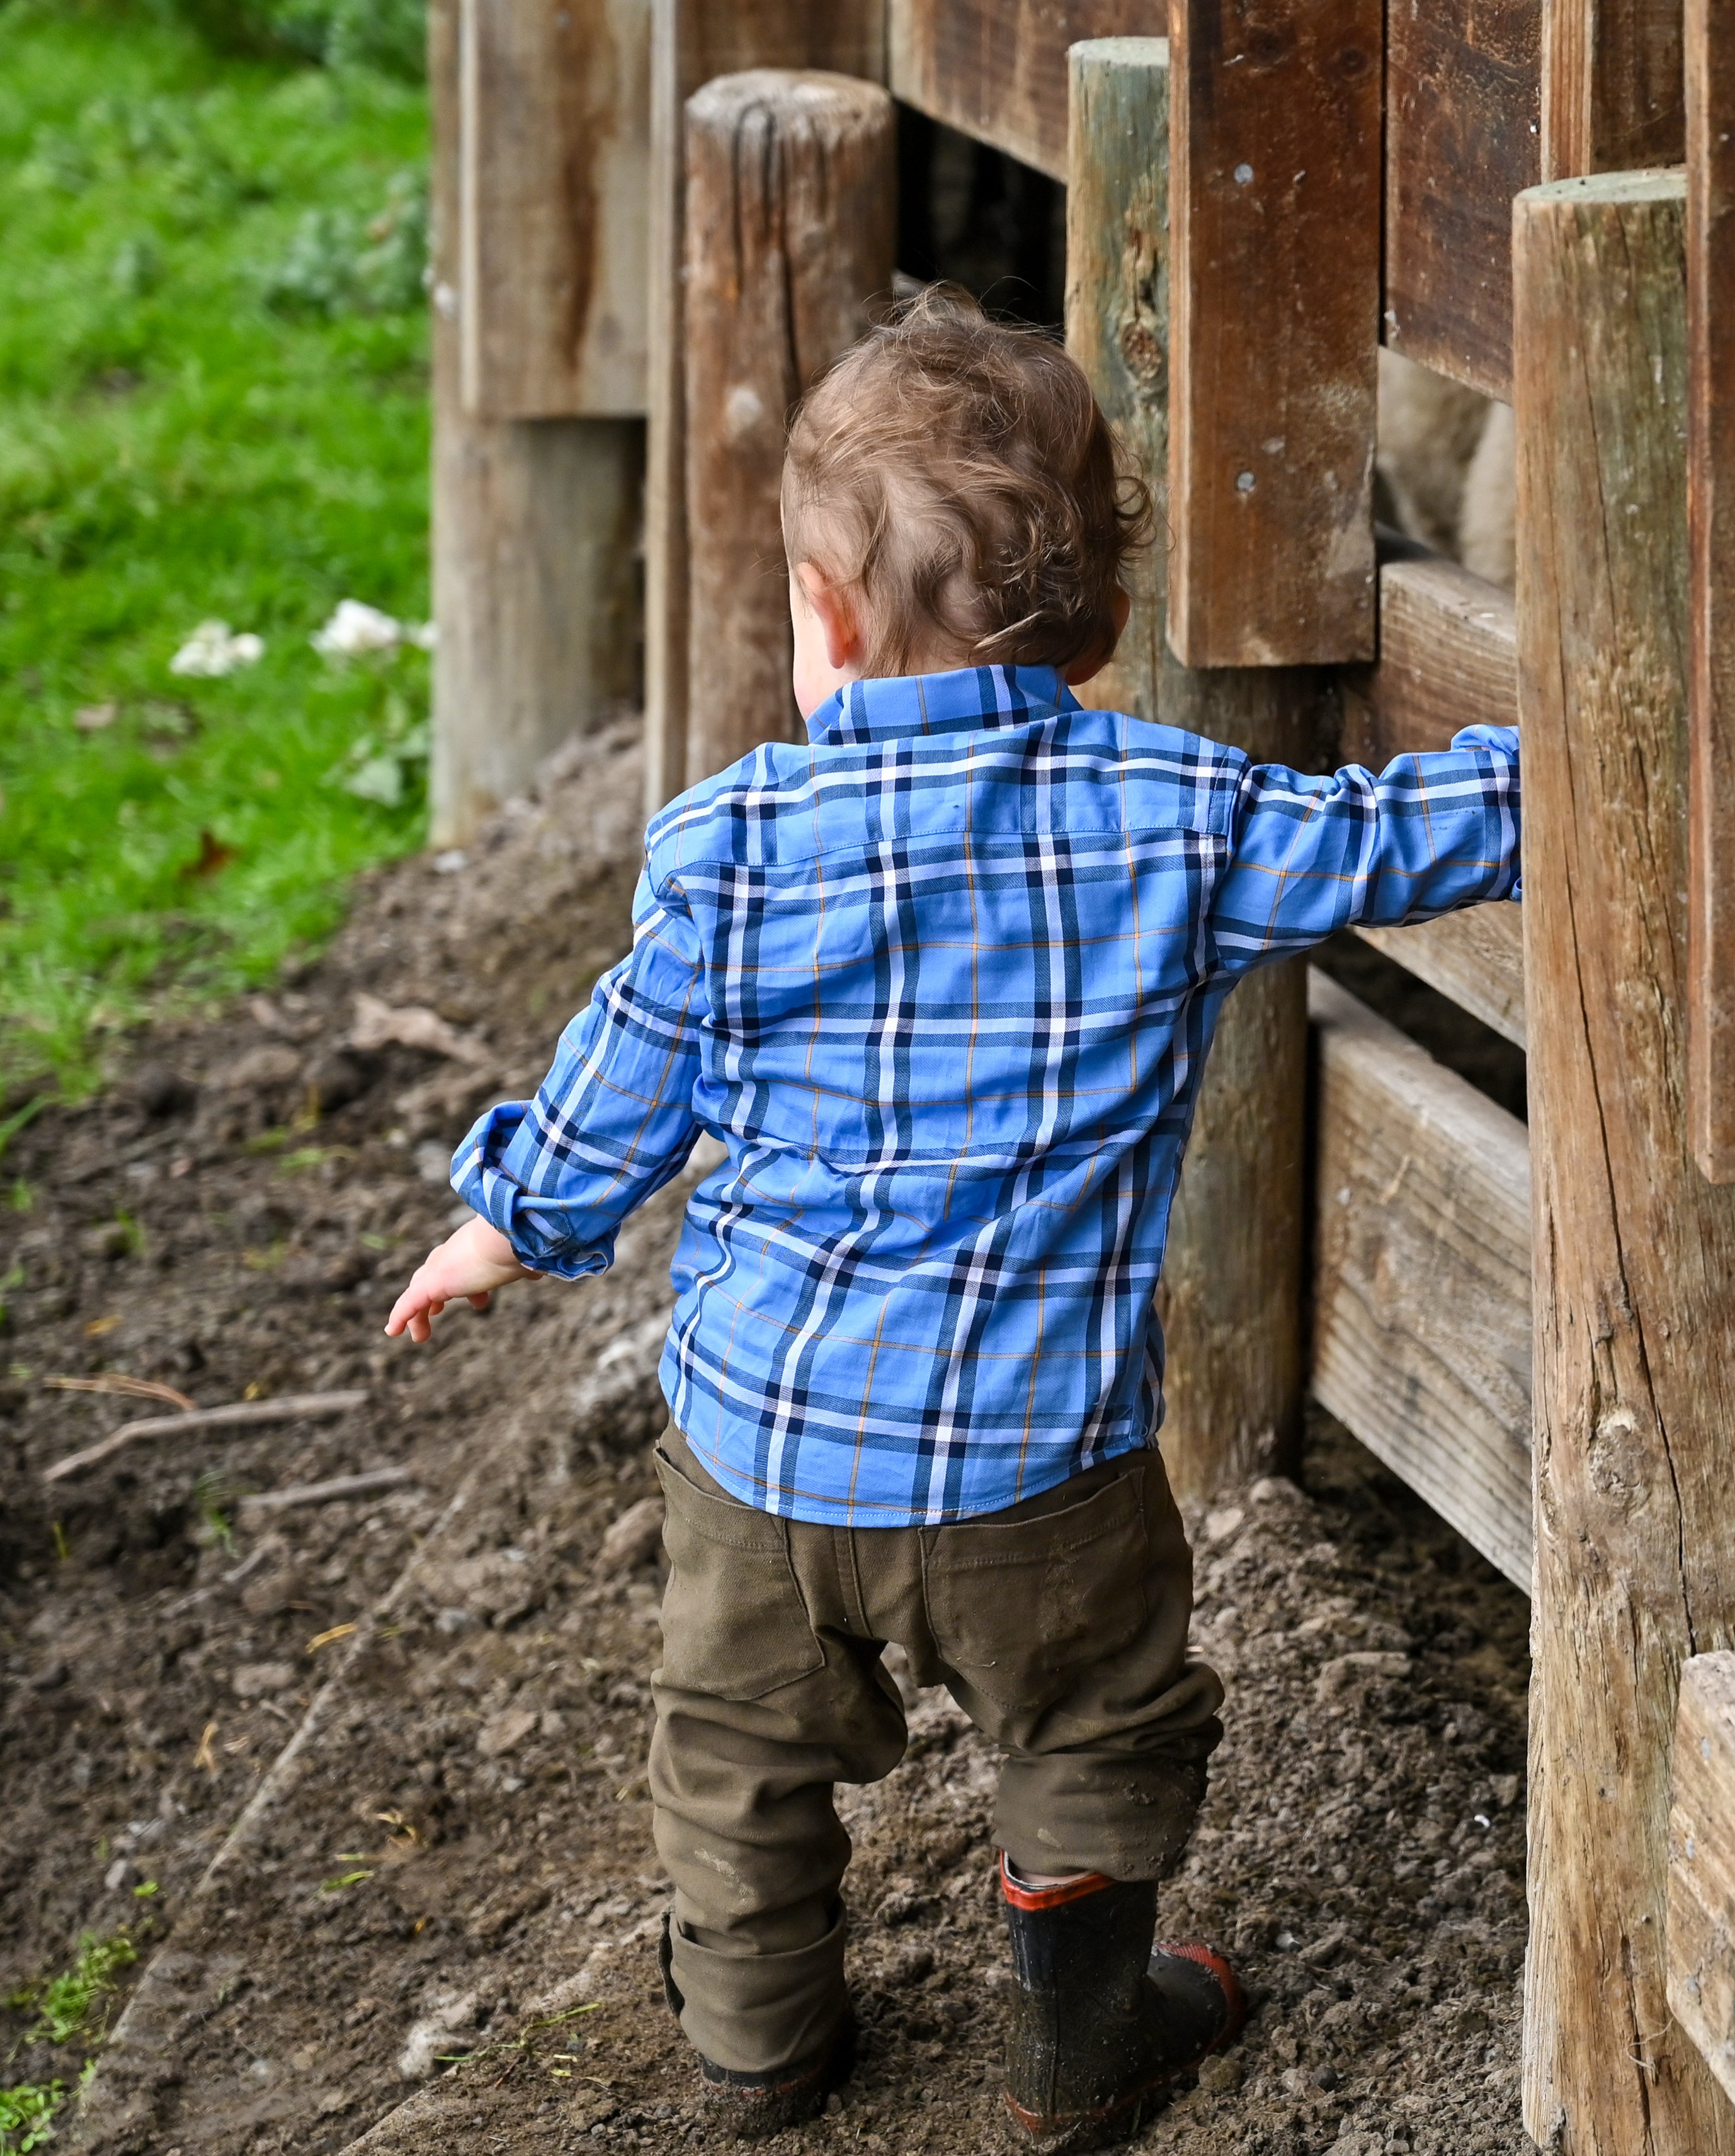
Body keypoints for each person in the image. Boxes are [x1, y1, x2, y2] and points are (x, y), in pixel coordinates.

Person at [379, 287, 1520, 2145]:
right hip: (1037, 1473)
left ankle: (759, 2050)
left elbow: (623, 1078)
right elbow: (1400, 841)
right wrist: (1580, 768)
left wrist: (505, 1226)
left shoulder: (731, 843)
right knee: (1090, 1731)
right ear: (1100, 624)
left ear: (819, 623)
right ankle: (1083, 2043)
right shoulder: (1175, 815)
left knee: (737, 1756)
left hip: (757, 1457)